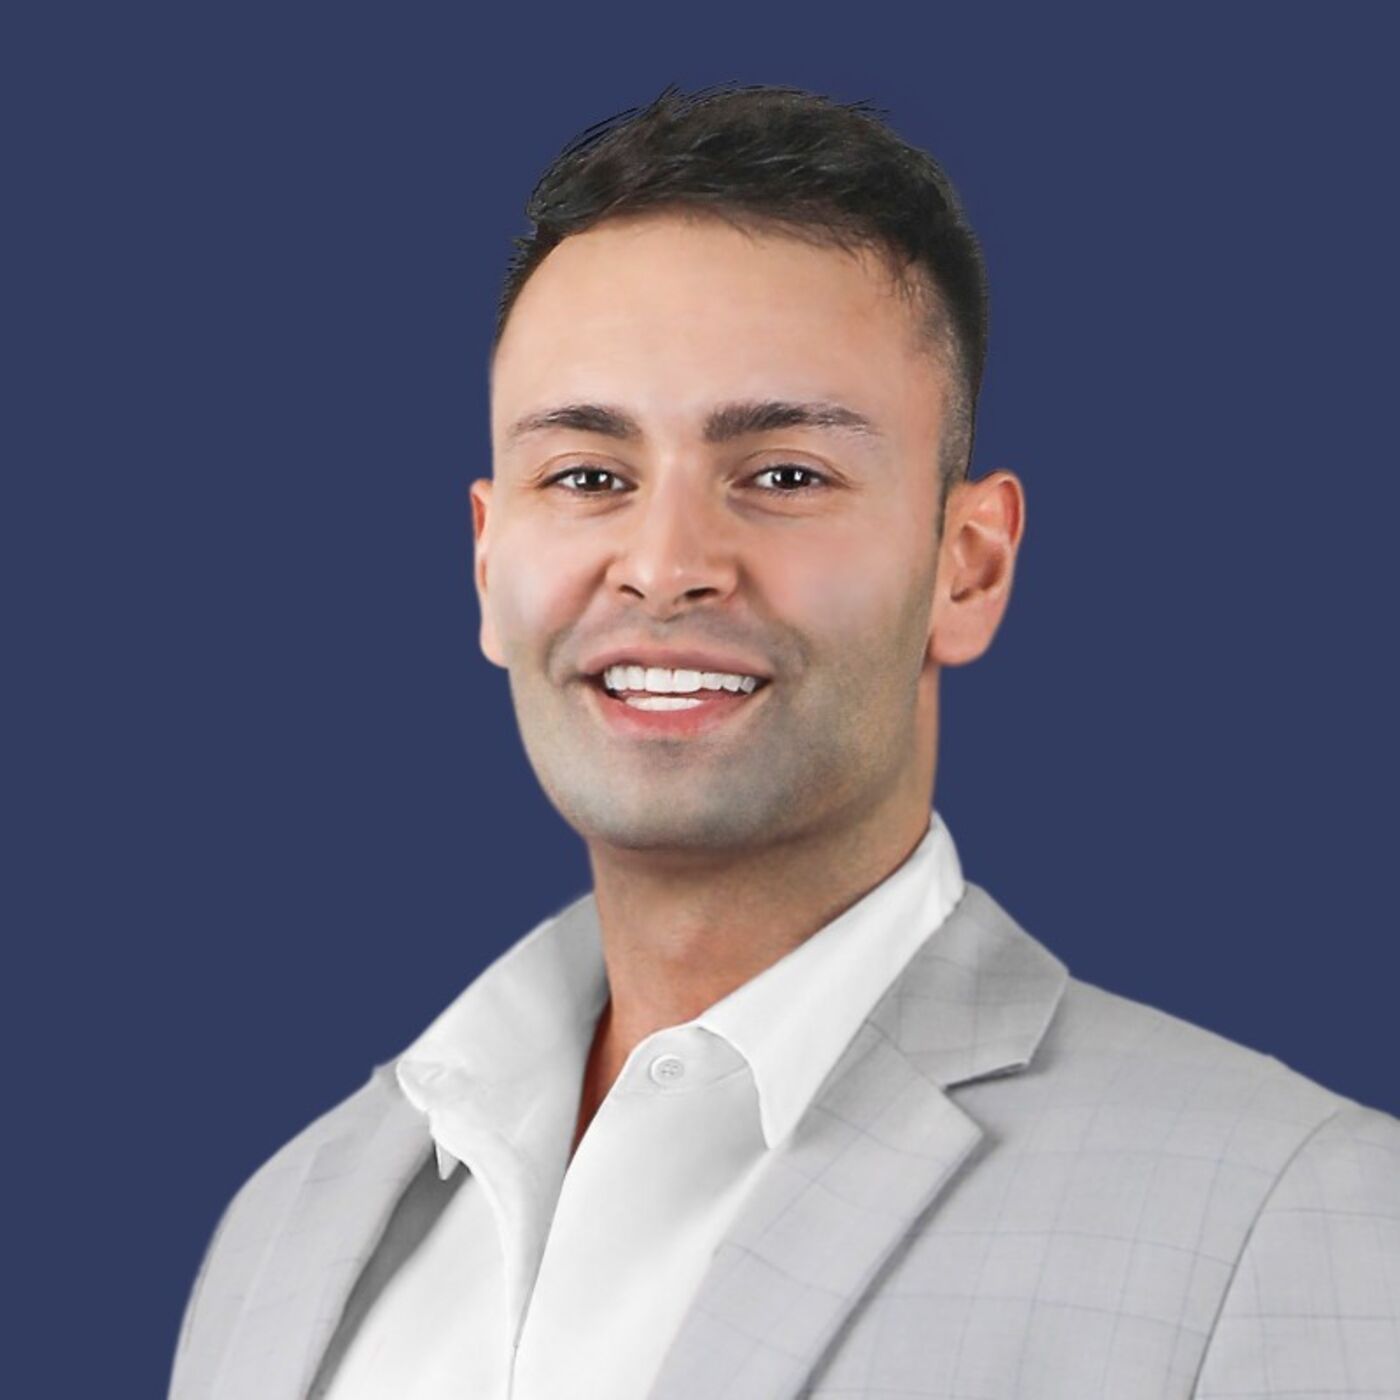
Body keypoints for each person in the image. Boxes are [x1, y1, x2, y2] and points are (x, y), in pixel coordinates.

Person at [168, 81, 1400, 1400]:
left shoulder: (1297, 1216)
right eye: (587, 477)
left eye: (785, 476)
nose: (664, 564)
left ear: (968, 566)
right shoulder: (285, 1230)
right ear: (487, 562)